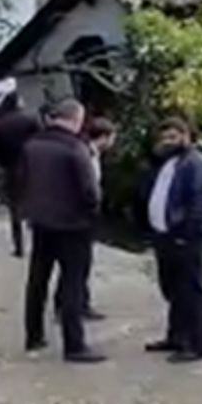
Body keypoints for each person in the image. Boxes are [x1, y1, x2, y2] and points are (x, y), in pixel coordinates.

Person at [16, 98, 104, 363]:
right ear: (76, 119)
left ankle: (33, 335)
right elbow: (89, 189)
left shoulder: (31, 145)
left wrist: (27, 209)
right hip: (73, 224)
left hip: (41, 222)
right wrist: (92, 213)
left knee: (37, 280)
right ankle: (74, 345)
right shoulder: (75, 148)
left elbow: (18, 180)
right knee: (72, 283)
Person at [140, 116, 202, 363]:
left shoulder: (197, 164)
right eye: (164, 138)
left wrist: (187, 234)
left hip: (187, 238)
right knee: (174, 290)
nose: (168, 142)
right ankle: (176, 337)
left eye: (173, 137)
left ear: (186, 136)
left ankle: (195, 345)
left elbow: (200, 204)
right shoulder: (167, 163)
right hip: (165, 236)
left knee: (192, 292)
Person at [74, 116, 118, 322]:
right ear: (105, 137)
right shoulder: (86, 154)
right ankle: (75, 305)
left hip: (85, 216)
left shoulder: (91, 153)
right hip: (81, 217)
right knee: (79, 263)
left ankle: (78, 302)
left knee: (81, 263)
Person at [0, 95, 40, 258]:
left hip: (10, 167)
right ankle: (39, 241)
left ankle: (19, 246)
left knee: (14, 207)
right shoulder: (30, 120)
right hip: (31, 165)